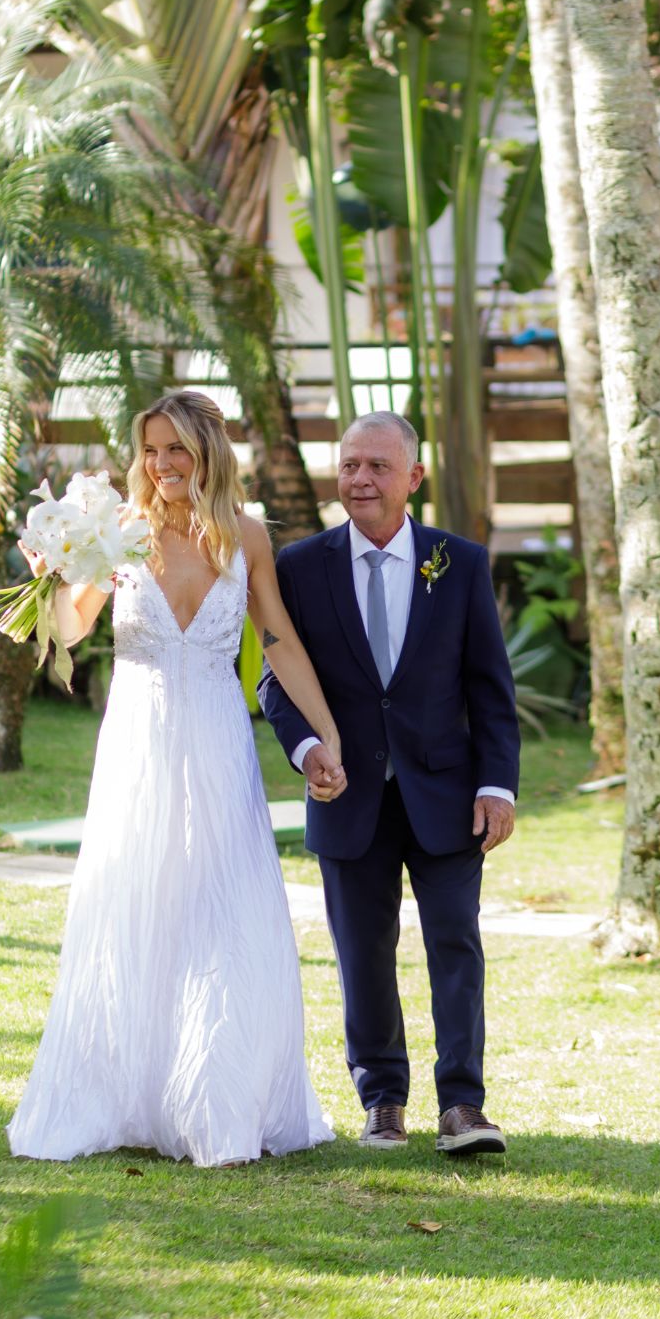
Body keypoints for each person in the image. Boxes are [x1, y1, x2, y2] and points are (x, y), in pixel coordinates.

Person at [7, 391, 339, 1168]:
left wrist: (324, 735)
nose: (161, 466)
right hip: (139, 743)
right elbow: (67, 628)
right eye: (151, 450)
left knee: (222, 910)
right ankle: (124, 1094)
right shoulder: (120, 532)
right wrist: (52, 571)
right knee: (139, 903)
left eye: (177, 450)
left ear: (209, 453)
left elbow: (280, 643)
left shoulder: (247, 537)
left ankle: (217, 1100)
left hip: (218, 739)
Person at [259, 411, 520, 1155]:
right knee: (360, 952)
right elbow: (277, 683)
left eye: (376, 466)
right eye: (348, 465)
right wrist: (307, 746)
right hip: (348, 799)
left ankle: (463, 1106)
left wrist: (496, 786)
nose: (359, 479)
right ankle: (382, 1101)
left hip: (445, 796)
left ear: (413, 476)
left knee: (454, 945)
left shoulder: (458, 562)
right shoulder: (299, 567)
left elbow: (489, 689)